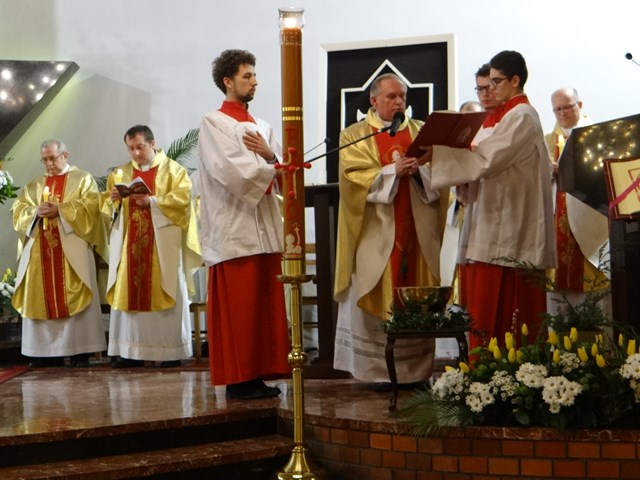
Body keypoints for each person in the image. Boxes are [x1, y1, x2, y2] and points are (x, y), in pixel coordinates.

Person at [422, 51, 556, 349]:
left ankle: (502, 369)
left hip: (509, 225)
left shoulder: (522, 116)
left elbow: (487, 159)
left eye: (496, 81)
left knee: (507, 314)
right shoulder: (505, 117)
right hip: (491, 219)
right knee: (484, 313)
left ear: (515, 80)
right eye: (488, 83)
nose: (491, 88)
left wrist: (439, 154)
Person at [333, 73, 450, 385]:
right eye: (391, 96)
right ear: (374, 100)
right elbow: (352, 178)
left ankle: (416, 370)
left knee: (417, 294)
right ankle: (377, 372)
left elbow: (442, 175)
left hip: (417, 232)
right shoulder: (354, 135)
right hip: (376, 232)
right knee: (376, 288)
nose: (399, 102)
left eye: (403, 96)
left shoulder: (422, 131)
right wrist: (391, 172)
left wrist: (419, 172)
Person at [197, 49, 291, 399]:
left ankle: (259, 373)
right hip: (234, 229)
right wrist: (271, 168)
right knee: (241, 307)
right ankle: (239, 380)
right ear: (228, 81)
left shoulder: (263, 127)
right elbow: (228, 170)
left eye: (254, 75)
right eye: (247, 76)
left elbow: (281, 169)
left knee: (263, 306)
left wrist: (271, 157)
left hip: (263, 227)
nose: (254, 82)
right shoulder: (214, 123)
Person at [102, 125, 201, 368]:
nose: (135, 153)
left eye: (140, 147)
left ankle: (169, 352)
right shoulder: (120, 173)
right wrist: (114, 201)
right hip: (129, 247)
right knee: (129, 294)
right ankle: (130, 352)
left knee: (165, 289)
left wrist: (153, 202)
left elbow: (184, 203)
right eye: (130, 148)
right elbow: (106, 211)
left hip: (163, 246)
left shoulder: (173, 171)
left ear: (153, 143)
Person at [11, 139, 107, 367]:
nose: (49, 164)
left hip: (72, 250)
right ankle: (44, 353)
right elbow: (18, 209)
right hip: (40, 252)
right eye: (44, 160)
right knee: (39, 296)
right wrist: (35, 212)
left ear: (65, 155)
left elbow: (91, 208)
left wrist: (61, 211)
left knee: (77, 292)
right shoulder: (35, 184)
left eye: (53, 158)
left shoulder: (82, 179)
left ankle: (79, 351)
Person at [544, 87, 609, 313]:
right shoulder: (547, 142)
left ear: (579, 105)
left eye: (568, 107)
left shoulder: (597, 135)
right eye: (557, 109)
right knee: (560, 292)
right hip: (558, 220)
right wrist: (548, 172)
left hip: (590, 216)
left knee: (595, 289)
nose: (563, 113)